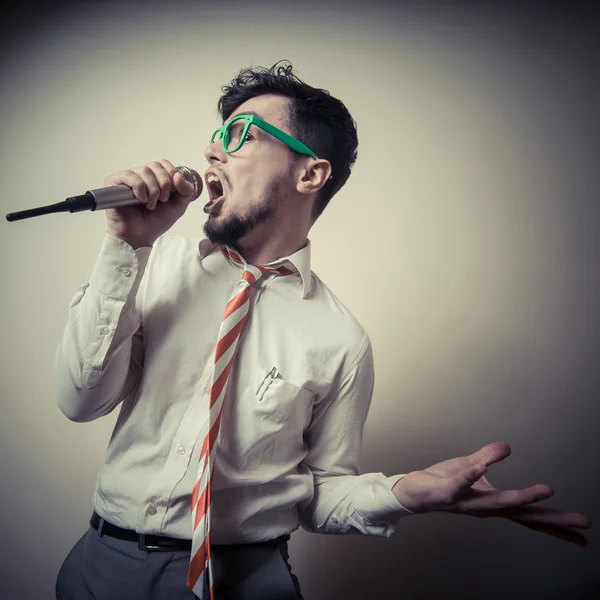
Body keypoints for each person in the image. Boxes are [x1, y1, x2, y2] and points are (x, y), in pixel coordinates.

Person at [54, 61, 591, 600]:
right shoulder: (154, 263)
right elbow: (80, 401)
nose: (211, 151)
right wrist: (126, 245)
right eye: (217, 135)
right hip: (99, 565)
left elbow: (318, 497)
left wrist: (403, 493)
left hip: (246, 579)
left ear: (309, 174)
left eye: (239, 135)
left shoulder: (341, 340)